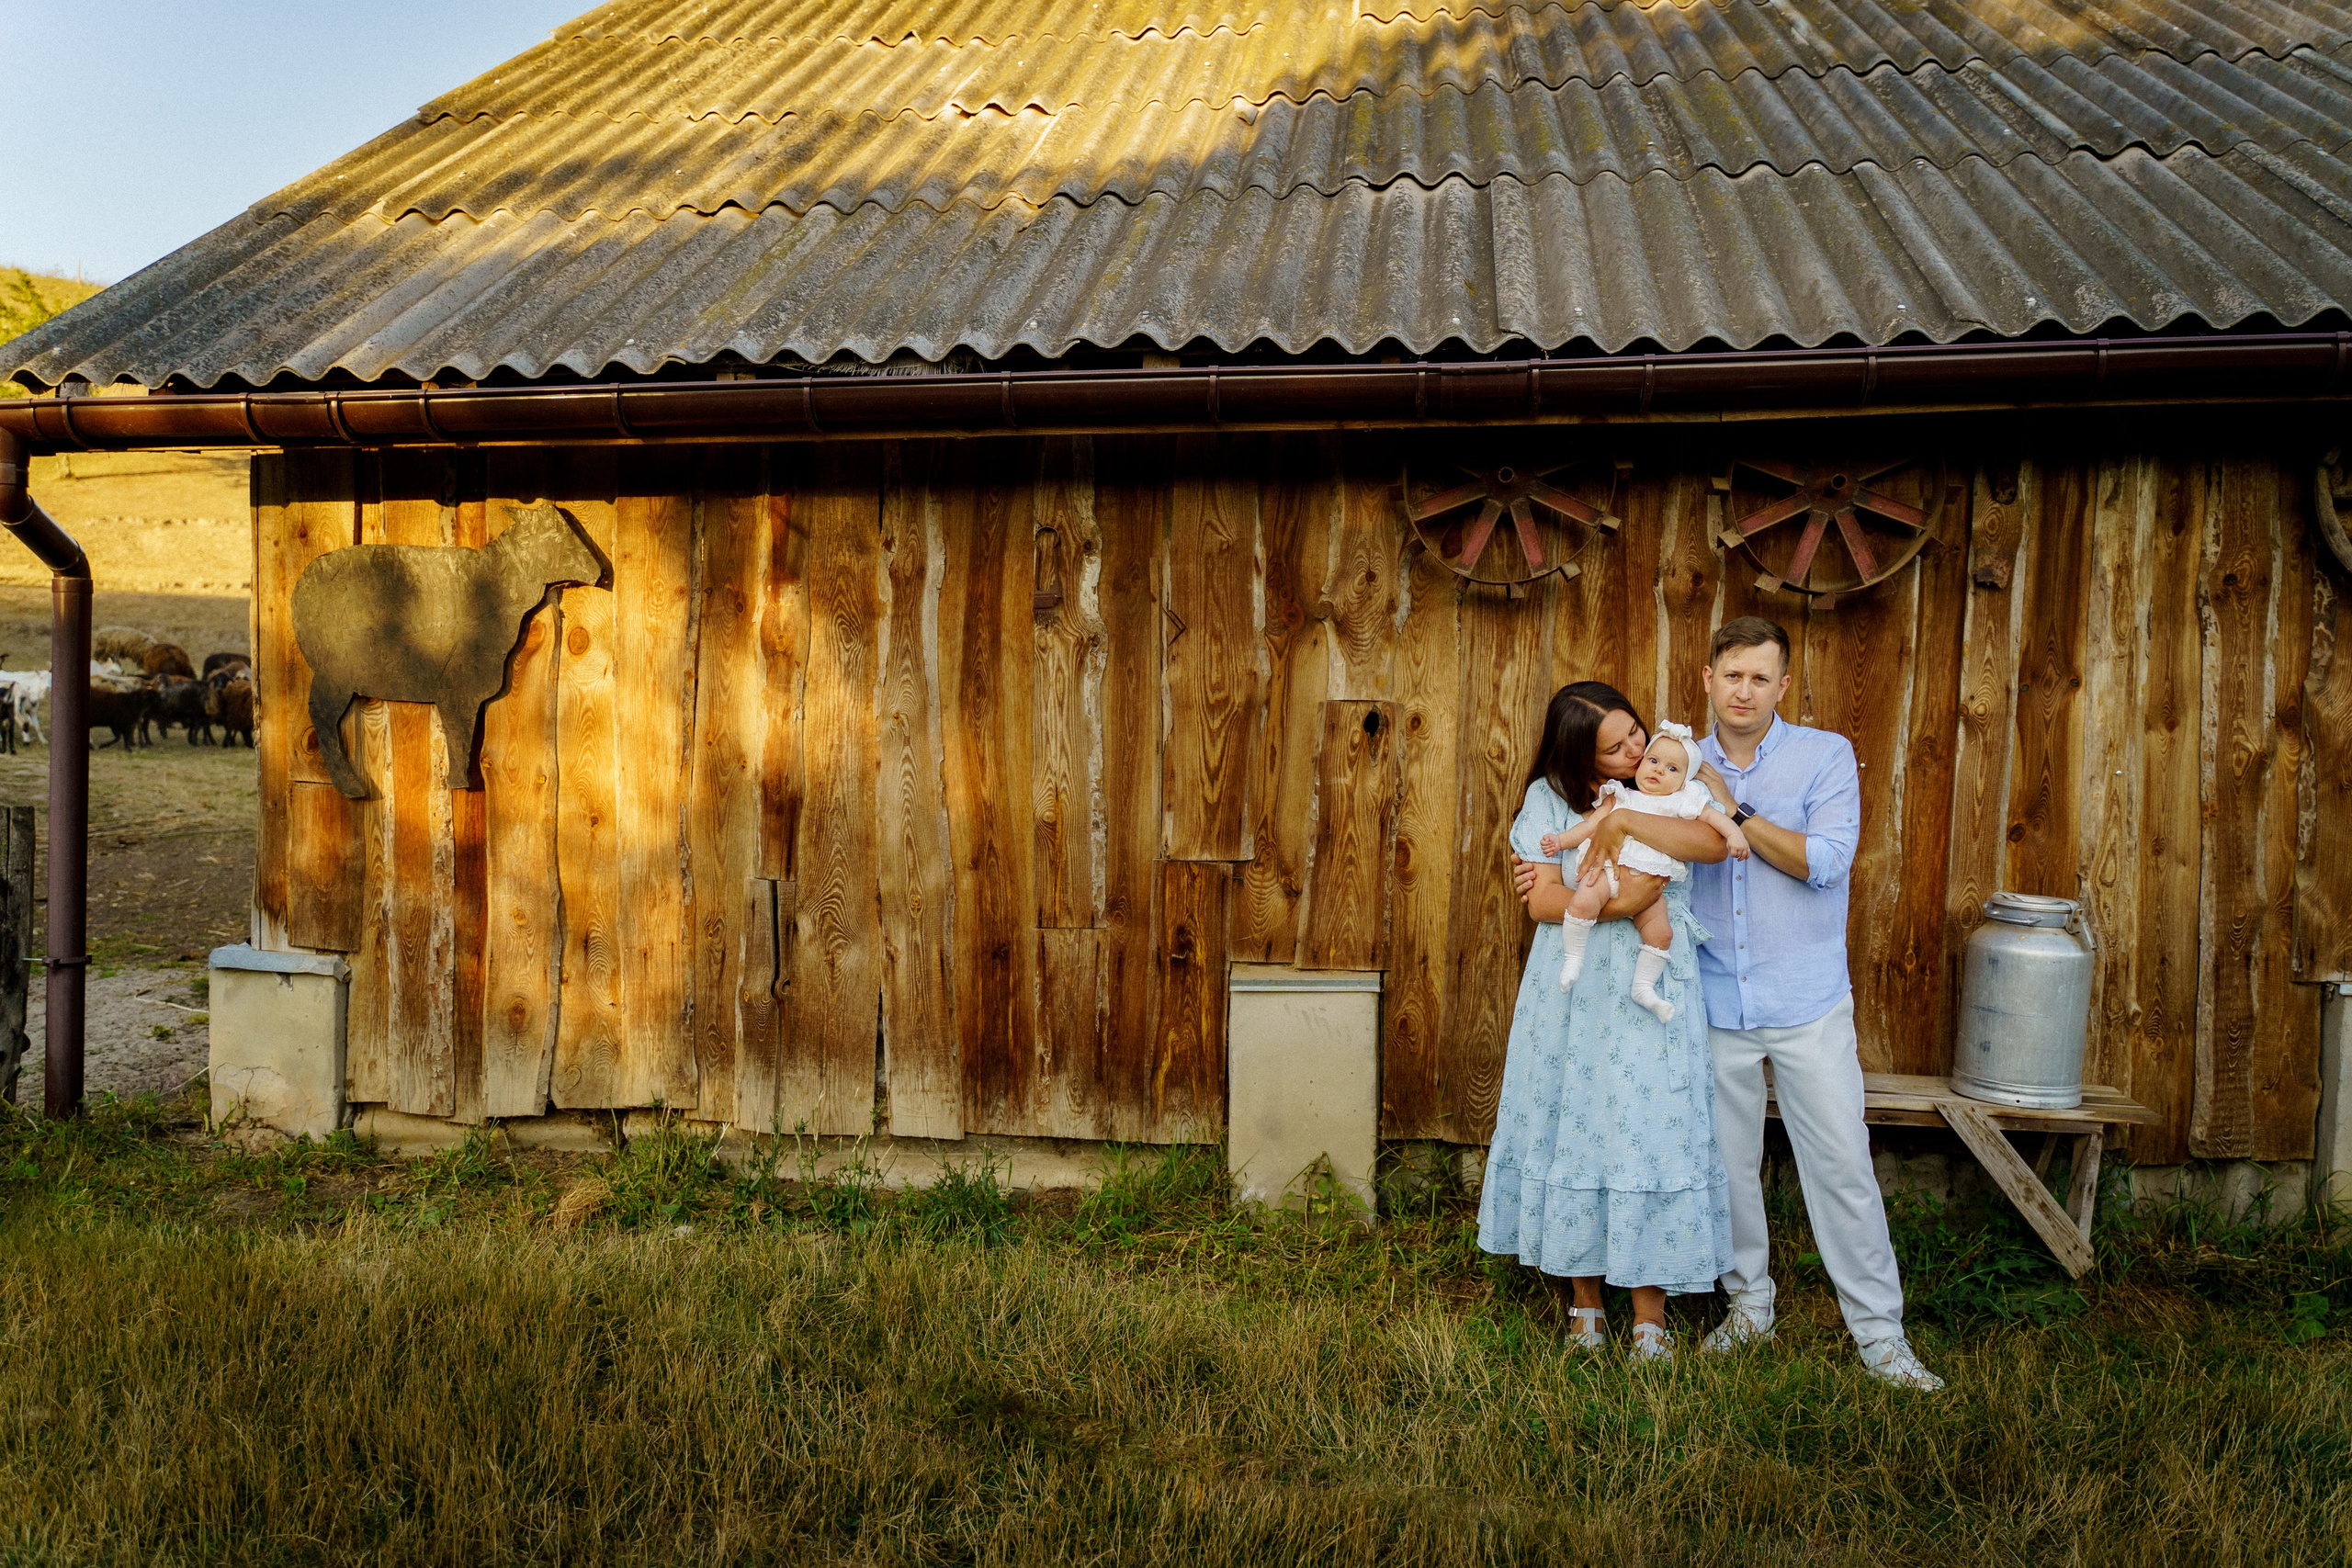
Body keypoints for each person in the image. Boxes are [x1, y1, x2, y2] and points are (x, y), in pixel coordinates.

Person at [1685, 616, 1943, 1392]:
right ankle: (1748, 1306)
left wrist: (1731, 809)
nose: (1744, 690)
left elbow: (1826, 861)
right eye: (1733, 674)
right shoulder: (1677, 760)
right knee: (1726, 1166)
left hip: (1807, 999)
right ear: (1708, 678)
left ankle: (1881, 1336)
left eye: (1761, 677)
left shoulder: (1824, 756)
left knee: (1840, 1164)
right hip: (1712, 997)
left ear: (1784, 686)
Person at [1481, 682, 1735, 1361]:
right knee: (1576, 1125)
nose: (1634, 750)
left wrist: (1621, 834)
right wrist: (1622, 901)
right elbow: (1541, 903)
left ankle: (1650, 1317)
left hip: (1649, 984)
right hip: (1573, 990)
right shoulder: (1547, 801)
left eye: (1634, 733)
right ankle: (1585, 1306)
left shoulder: (1671, 779)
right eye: (1614, 746)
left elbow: (1710, 842)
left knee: (1650, 1130)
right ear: (1578, 755)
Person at [1540, 722, 1749, 1021]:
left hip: (1651, 887)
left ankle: (1644, 988)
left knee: (1662, 934)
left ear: (1684, 781)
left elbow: (1716, 820)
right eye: (1653, 761)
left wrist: (1735, 835)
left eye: (1672, 769)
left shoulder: (1683, 801)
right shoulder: (1621, 796)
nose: (1659, 771)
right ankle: (1573, 959)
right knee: (1583, 901)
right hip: (1609, 873)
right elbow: (1589, 826)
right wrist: (1561, 841)